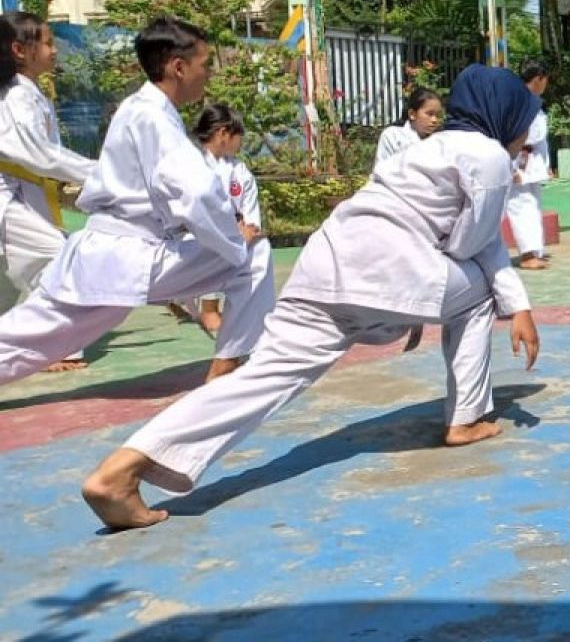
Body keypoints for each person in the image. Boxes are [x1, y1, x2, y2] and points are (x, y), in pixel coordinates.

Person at [80, 64, 542, 530]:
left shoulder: (421, 150)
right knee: (480, 291)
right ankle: (466, 418)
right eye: (524, 120)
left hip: (327, 262)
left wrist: (429, 291)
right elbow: (470, 245)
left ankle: (120, 472)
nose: (525, 134)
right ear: (504, 115)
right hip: (392, 272)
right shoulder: (489, 157)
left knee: (261, 376)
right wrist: (504, 302)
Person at [0, 17, 264, 386]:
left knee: (39, 334)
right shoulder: (151, 116)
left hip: (119, 255)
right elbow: (197, 192)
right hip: (127, 254)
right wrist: (235, 238)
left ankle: (228, 355)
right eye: (205, 65)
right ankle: (228, 364)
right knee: (251, 254)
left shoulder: (141, 109)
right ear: (178, 67)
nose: (209, 75)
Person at [0, 12, 96, 371]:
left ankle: (46, 349)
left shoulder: (27, 93)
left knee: (11, 287)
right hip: (7, 198)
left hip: (23, 192)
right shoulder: (14, 97)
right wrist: (97, 172)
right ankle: (57, 349)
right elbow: (38, 155)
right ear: (19, 50)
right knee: (60, 257)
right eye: (48, 42)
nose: (54, 50)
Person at [188, 104, 276, 372]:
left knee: (260, 251)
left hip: (235, 242)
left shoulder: (239, 171)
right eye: (240, 137)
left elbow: (251, 219)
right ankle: (208, 308)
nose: (242, 144)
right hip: (189, 245)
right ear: (224, 133)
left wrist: (246, 230)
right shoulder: (190, 163)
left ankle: (250, 333)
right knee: (216, 244)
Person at [505, 58, 552, 270]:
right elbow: (511, 137)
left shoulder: (534, 103)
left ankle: (535, 250)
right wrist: (511, 167)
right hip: (516, 161)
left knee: (533, 205)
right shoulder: (516, 101)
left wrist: (546, 165)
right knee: (522, 206)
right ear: (539, 79)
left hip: (533, 163)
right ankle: (527, 254)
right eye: (545, 80)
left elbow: (540, 141)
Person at [374, 88, 443, 163]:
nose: (434, 120)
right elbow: (382, 169)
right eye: (429, 114)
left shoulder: (440, 140)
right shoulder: (393, 136)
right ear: (412, 114)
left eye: (437, 115)